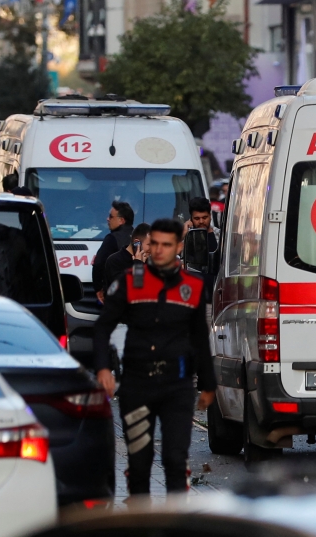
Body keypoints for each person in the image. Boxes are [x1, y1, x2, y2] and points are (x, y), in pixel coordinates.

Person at [93, 218, 216, 502]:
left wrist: (209, 385)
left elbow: (200, 338)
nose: (159, 250)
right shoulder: (130, 282)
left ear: (179, 247)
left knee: (175, 459)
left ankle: (174, 525)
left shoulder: (193, 287)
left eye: (166, 245)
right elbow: (102, 327)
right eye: (155, 244)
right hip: (137, 386)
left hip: (177, 386)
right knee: (139, 462)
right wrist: (103, 369)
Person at [92, 201, 135, 300]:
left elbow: (98, 263)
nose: (108, 219)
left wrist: (98, 288)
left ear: (121, 220)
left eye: (111, 217)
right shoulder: (139, 238)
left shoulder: (112, 239)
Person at [101, 223, 151, 298]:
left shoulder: (151, 261)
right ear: (137, 243)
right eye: (150, 245)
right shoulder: (115, 261)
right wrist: (138, 265)